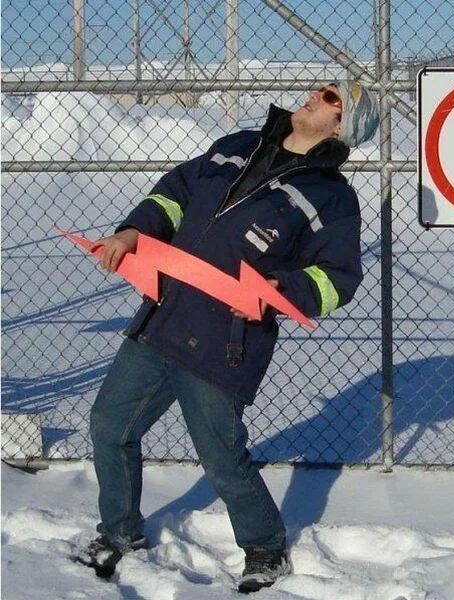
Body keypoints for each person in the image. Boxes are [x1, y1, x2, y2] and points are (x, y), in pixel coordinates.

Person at [80, 79, 379, 593]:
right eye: (323, 87)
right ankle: (120, 532)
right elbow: (175, 193)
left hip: (226, 340)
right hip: (164, 315)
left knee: (221, 454)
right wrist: (134, 231)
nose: (317, 94)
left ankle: (265, 547)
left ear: (343, 126)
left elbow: (339, 278)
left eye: (334, 98)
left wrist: (281, 289)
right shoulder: (238, 145)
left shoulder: (331, 197)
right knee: (110, 425)